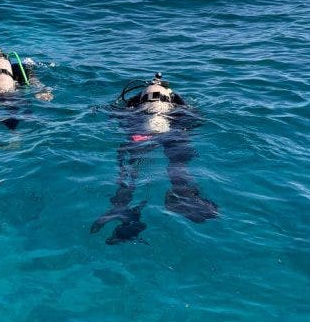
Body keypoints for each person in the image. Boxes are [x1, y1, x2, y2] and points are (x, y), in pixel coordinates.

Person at [90, 72, 218, 244]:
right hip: (172, 131)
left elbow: (115, 115)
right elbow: (195, 119)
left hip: (139, 130)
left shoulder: (135, 103)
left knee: (130, 165)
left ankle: (120, 207)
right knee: (178, 162)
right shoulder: (176, 103)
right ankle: (184, 195)